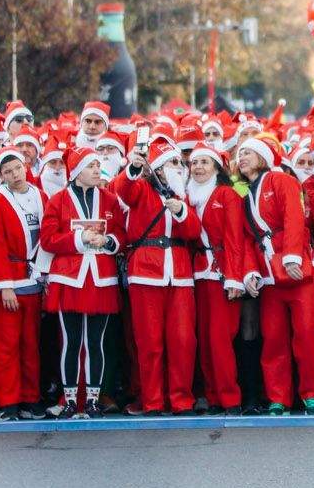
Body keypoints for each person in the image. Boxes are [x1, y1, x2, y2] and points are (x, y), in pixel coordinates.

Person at [228, 136, 314, 416]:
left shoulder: (281, 181)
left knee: (306, 335)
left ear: (263, 157)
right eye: (239, 153)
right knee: (273, 338)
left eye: (248, 152)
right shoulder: (246, 196)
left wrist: (293, 255)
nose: (242, 157)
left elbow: (294, 216)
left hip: (296, 270)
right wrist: (250, 272)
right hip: (269, 274)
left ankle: (312, 393)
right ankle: (277, 397)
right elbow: (248, 240)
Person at [116, 141, 202, 416]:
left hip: (178, 272)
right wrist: (134, 167)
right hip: (146, 271)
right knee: (149, 340)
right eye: (171, 163)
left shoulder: (184, 195)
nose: (178, 167)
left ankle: (181, 399)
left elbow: (193, 232)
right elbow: (123, 190)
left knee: (183, 340)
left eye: (179, 163)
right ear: (159, 168)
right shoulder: (141, 188)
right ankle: (152, 400)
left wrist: (179, 210)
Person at [42, 146, 127, 418]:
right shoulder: (58, 200)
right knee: (71, 340)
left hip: (100, 276)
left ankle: (92, 399)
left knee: (95, 341)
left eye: (97, 165)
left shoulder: (110, 199)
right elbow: (48, 239)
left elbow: (121, 235)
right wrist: (80, 239)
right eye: (91, 165)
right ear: (77, 171)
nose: (96, 170)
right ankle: (69, 400)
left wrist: (109, 241)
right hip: (69, 277)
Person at [0, 147, 47, 419]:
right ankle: (8, 400)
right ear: (0, 176)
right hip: (11, 279)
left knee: (31, 344)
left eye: (17, 168)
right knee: (6, 345)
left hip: (35, 278)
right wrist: (5, 285)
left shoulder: (40, 196)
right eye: (7, 172)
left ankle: (31, 398)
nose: (14, 175)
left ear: (25, 167)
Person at [182, 145, 245, 414]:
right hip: (196, 273)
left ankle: (230, 397)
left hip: (221, 273)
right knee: (204, 339)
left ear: (217, 167)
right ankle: (212, 395)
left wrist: (234, 278)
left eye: (204, 162)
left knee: (220, 339)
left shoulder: (227, 194)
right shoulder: (186, 196)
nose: (197, 167)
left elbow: (235, 238)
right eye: (194, 162)